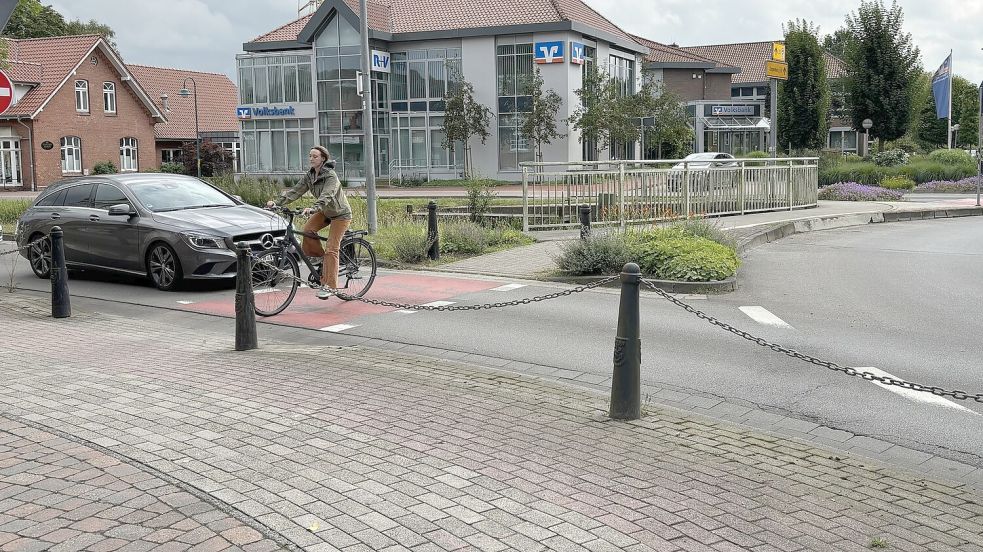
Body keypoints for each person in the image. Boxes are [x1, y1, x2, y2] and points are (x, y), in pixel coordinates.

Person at [267, 146, 352, 300]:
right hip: (325, 212)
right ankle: (321, 260)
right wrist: (277, 203)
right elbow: (296, 191)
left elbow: (328, 195)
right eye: (310, 156)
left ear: (323, 159)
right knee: (308, 230)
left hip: (340, 214)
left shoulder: (330, 176)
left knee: (332, 249)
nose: (311, 159)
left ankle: (331, 286)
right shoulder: (310, 175)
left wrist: (313, 208)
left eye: (315, 156)